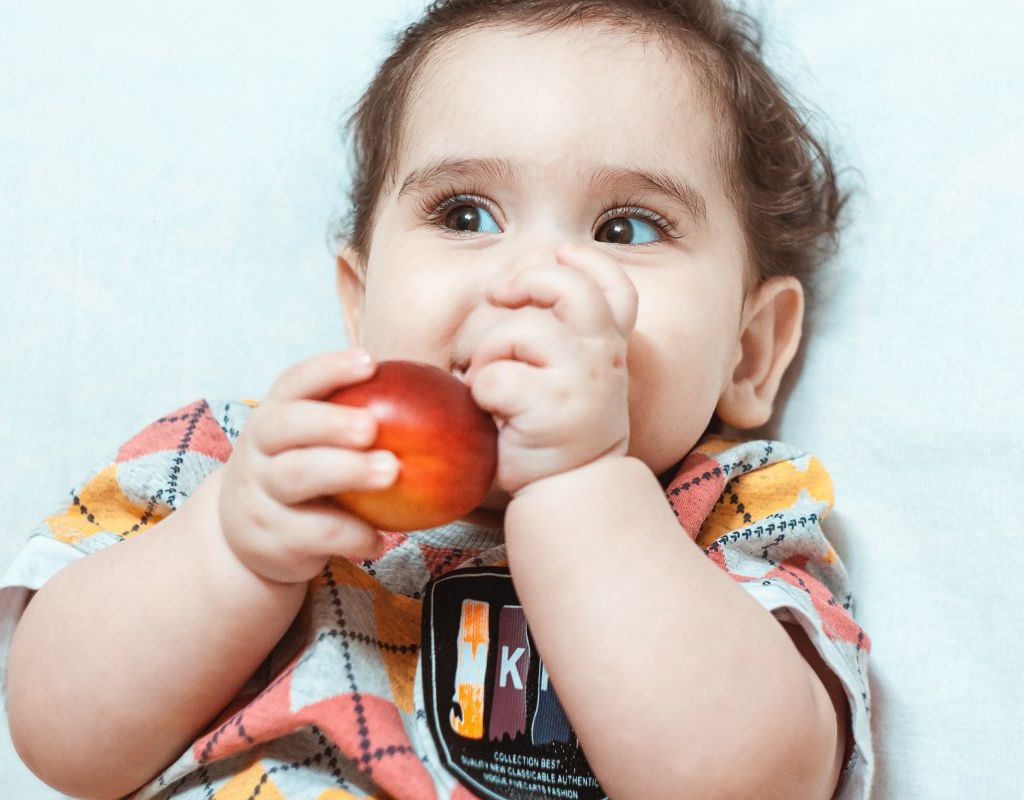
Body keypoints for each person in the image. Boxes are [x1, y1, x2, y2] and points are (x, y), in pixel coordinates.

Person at [1, 1, 873, 798]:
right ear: (361, 301)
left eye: (625, 229)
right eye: (465, 216)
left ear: (750, 352)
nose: (530, 282)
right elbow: (57, 739)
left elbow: (756, 785)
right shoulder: (248, 463)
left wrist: (580, 489)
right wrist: (232, 552)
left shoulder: (728, 523)